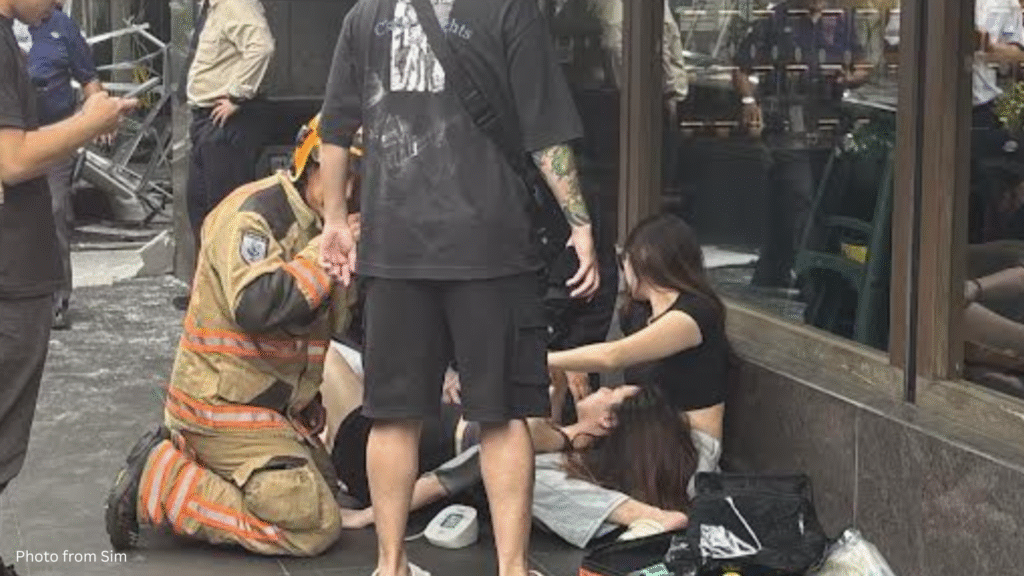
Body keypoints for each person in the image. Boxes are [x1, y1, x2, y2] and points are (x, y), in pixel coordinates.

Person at [318, 0, 601, 574]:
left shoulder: (364, 15)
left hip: (395, 245)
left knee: (393, 414)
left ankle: (390, 564)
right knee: (500, 415)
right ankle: (513, 568)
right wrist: (580, 223)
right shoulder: (510, 11)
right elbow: (545, 134)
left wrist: (331, 219)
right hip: (491, 249)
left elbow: (335, 127)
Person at [104, 115, 355, 557]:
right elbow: (257, 306)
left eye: (358, 181)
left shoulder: (319, 221)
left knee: (325, 488)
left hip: (264, 405)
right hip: (220, 406)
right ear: (311, 166)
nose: (350, 193)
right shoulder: (256, 215)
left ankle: (197, 463)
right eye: (343, 177)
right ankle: (162, 480)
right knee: (313, 524)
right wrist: (323, 254)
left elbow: (320, 327)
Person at [0, 0, 135, 573]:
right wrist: (89, 124)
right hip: (11, 273)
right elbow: (11, 159)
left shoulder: (22, 34)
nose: (58, 3)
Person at [320, 344, 689, 548]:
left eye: (611, 391)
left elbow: (451, 476)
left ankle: (642, 514)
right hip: (408, 423)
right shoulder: (563, 441)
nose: (600, 388)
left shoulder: (551, 458)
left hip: (373, 443)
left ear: (609, 421)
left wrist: (370, 515)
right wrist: (557, 376)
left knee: (321, 352)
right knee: (328, 353)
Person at [548, 213, 731, 477]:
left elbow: (613, 356)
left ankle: (633, 511)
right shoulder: (636, 313)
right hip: (642, 437)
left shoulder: (696, 313)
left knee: (558, 476)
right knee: (536, 471)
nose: (624, 270)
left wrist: (545, 358)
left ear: (644, 257)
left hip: (689, 448)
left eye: (626, 260)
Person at [734, 0, 868, 288]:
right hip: (786, 124)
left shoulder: (840, 18)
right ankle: (810, 278)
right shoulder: (776, 17)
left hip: (827, 124)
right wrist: (748, 102)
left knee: (814, 201)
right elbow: (742, 66)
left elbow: (862, 67)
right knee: (801, 197)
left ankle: (773, 272)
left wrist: (848, 78)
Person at [177, 0, 274, 309]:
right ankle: (205, 294)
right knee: (201, 207)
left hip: (226, 120)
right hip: (207, 119)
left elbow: (262, 46)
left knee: (226, 212)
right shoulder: (215, 8)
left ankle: (228, 295)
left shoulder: (234, 3)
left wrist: (238, 95)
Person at [24, 3, 106, 329]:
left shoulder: (61, 26)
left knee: (55, 209)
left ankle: (58, 299)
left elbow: (89, 78)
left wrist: (98, 115)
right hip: (11, 137)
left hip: (56, 135)